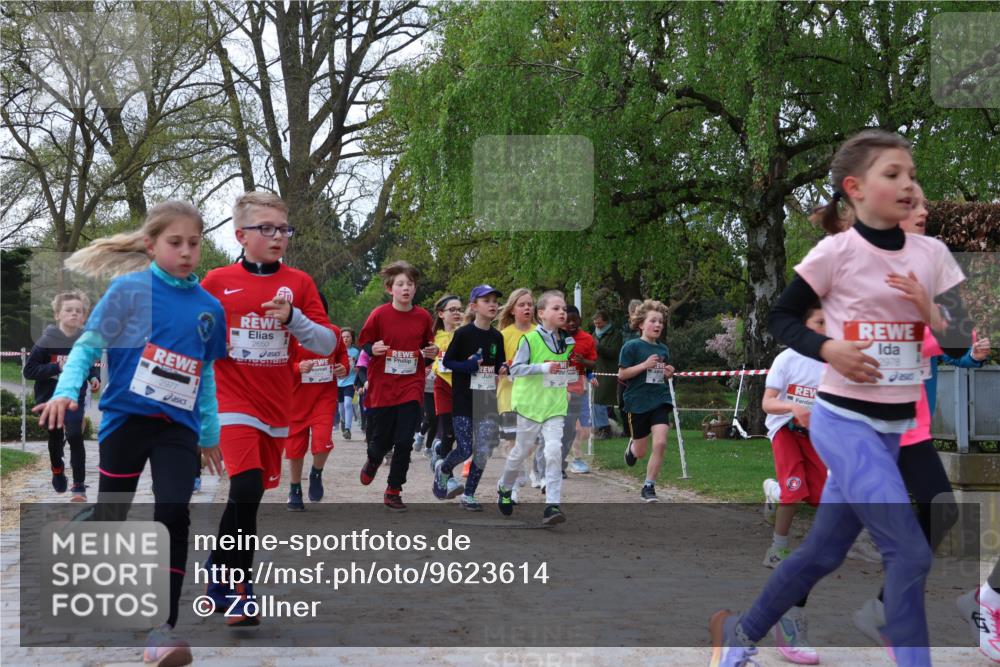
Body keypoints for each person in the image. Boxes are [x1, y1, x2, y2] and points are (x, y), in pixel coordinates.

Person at [710, 129, 973, 667]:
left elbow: (959, 339)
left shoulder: (932, 255)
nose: (909, 186)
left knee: (823, 553)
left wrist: (926, 307)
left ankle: (741, 630)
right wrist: (829, 348)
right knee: (909, 553)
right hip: (844, 423)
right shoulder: (837, 252)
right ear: (855, 189)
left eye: (912, 174)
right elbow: (782, 317)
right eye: (893, 174)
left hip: (898, 431)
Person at [35, 201, 227, 667]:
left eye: (194, 243)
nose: (186, 252)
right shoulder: (128, 291)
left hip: (177, 430)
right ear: (151, 245)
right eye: (175, 242)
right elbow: (87, 347)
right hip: (125, 421)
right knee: (112, 515)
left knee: (174, 514)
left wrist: (209, 432)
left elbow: (205, 375)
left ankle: (163, 630)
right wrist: (65, 392)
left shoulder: (209, 309)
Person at [852, 184, 993, 654]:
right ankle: (774, 614)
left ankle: (884, 609)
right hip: (873, 425)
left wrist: (970, 354)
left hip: (911, 429)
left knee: (940, 511)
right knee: (831, 541)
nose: (924, 214)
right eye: (913, 207)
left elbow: (947, 346)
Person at [201, 192, 337, 627]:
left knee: (250, 496)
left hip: (278, 404)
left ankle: (217, 566)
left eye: (283, 229)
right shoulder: (217, 281)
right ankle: (241, 590)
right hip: (231, 399)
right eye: (266, 228)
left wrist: (293, 317)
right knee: (243, 488)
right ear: (240, 235)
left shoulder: (299, 283)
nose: (278, 236)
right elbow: (192, 333)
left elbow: (327, 343)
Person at [759, 302, 827, 664]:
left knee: (818, 498)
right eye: (819, 322)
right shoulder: (786, 360)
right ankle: (778, 547)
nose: (826, 328)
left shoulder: (832, 363)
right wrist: (792, 408)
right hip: (784, 429)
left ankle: (774, 490)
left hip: (814, 435)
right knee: (796, 489)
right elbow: (767, 403)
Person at [357, 260, 437, 511]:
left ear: (415, 288)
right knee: (380, 442)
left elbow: (428, 349)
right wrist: (373, 348)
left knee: (404, 440)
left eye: (410, 284)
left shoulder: (423, 317)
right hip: (383, 386)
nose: (406, 288)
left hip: (411, 385)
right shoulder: (379, 315)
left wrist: (432, 353)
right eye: (400, 284)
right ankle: (373, 459)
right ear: (390, 289)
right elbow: (365, 344)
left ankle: (394, 489)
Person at [496, 290, 575, 526]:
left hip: (555, 406)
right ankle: (505, 487)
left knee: (553, 451)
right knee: (520, 451)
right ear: (542, 314)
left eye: (564, 308)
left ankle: (552, 505)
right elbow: (516, 369)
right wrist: (543, 367)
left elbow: (564, 369)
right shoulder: (529, 340)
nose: (562, 312)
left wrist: (567, 378)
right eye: (556, 308)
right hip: (530, 406)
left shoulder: (568, 341)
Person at [434, 285, 506, 510]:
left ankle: (469, 495)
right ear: (474, 307)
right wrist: (468, 365)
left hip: (486, 400)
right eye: (487, 301)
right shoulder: (463, 334)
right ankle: (444, 468)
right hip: (464, 399)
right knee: (465, 448)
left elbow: (499, 364)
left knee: (482, 451)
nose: (492, 304)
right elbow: (448, 362)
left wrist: (503, 368)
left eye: (495, 301)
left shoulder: (497, 336)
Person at [23, 290, 101, 502]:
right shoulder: (45, 342)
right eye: (68, 310)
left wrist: (94, 377)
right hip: (49, 397)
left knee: (75, 435)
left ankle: (79, 487)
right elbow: (29, 371)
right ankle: (57, 469)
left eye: (78, 311)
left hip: (74, 396)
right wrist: (57, 367)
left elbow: (91, 363)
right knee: (55, 437)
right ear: (57, 314)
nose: (74, 314)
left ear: (84, 316)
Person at [283, 295, 349, 510]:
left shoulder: (334, 332)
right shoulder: (289, 333)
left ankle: (316, 473)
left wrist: (343, 368)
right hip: (296, 397)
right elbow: (280, 362)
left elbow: (342, 356)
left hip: (324, 396)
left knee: (322, 440)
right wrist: (297, 367)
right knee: (295, 448)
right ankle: (294, 489)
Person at [617, 300, 676, 503]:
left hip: (660, 399)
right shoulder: (631, 347)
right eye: (653, 321)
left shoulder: (663, 350)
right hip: (637, 402)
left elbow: (659, 375)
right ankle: (632, 448)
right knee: (641, 452)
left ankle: (649, 486)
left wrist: (667, 373)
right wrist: (644, 365)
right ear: (641, 324)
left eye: (661, 321)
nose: (658, 325)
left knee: (660, 442)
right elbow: (622, 374)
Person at [535, 305, 595, 482]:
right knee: (551, 429)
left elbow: (593, 363)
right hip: (553, 388)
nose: (571, 324)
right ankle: (542, 467)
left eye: (575, 320)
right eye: (568, 321)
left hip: (575, 388)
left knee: (569, 430)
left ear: (580, 320)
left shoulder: (587, 339)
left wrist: (583, 361)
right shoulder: (552, 336)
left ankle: (559, 464)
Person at [495, 288, 537, 500]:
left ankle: (514, 475)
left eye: (530, 304)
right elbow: (495, 365)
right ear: (512, 310)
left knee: (529, 444)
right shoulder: (503, 335)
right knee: (513, 442)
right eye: (522, 305)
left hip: (534, 396)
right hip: (509, 395)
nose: (527, 308)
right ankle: (511, 487)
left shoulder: (541, 333)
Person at [427, 295, 463, 468]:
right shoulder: (434, 337)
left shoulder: (465, 334)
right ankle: (444, 468)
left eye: (459, 310)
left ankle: (439, 449)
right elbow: (428, 359)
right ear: (441, 314)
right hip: (442, 384)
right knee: (447, 429)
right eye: (452, 310)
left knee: (456, 432)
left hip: (462, 386)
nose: (457, 313)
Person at [592, 310, 622, 439]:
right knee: (596, 400)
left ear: (606, 321)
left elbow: (614, 353)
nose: (597, 325)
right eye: (595, 323)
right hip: (596, 370)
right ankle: (602, 427)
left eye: (599, 323)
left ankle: (605, 428)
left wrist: (598, 347)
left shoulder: (616, 334)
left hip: (609, 371)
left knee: (600, 399)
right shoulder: (594, 334)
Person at [337, 327, 360, 440]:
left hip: (350, 381)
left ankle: (347, 429)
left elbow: (360, 367)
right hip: (338, 382)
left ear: (352, 338)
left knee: (347, 404)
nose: (345, 339)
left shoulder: (356, 352)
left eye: (348, 337)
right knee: (341, 408)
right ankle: (343, 420)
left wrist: (356, 368)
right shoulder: (336, 350)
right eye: (343, 337)